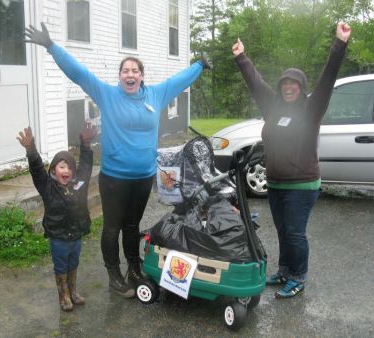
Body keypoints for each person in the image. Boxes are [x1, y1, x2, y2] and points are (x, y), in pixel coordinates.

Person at [24, 22, 212, 298]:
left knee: (132, 226)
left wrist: (199, 65)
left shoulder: (156, 95)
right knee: (112, 226)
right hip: (114, 177)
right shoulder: (108, 94)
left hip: (144, 176)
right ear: (120, 76)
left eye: (135, 70)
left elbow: (179, 80)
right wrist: (52, 47)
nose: (130, 74)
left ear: (142, 76)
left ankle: (134, 269)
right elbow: (79, 73)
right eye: (125, 70)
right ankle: (114, 274)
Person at [231, 22, 351, 298]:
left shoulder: (311, 109)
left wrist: (339, 44)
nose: (288, 87)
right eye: (284, 83)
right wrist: (241, 57)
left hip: (302, 184)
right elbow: (256, 83)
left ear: (301, 87)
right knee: (284, 232)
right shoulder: (272, 107)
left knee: (295, 233)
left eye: (293, 84)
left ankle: (298, 276)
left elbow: (328, 79)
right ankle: (285, 269)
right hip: (276, 183)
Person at [17, 122, 96, 311]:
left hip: (76, 235)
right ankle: (64, 296)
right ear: (54, 170)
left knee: (74, 263)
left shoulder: (80, 184)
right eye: (62, 167)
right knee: (61, 266)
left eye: (69, 168)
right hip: (58, 237)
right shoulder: (47, 187)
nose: (66, 171)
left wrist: (85, 145)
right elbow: (36, 170)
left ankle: (73, 292)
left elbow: (85, 165)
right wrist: (31, 149)